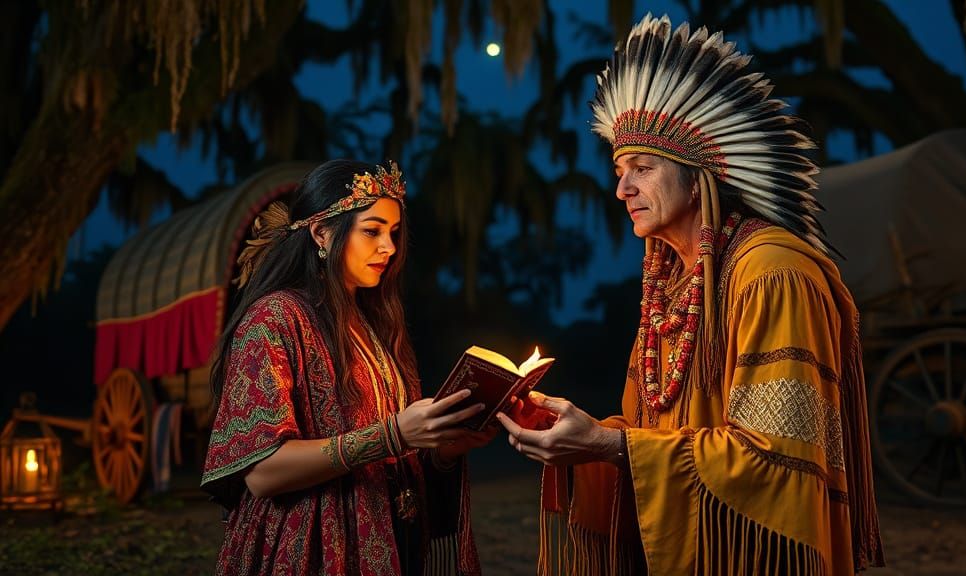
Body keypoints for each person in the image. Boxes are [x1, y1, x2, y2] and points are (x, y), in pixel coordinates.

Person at [497, 15, 885, 575]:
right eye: (619, 168)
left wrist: (611, 449)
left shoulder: (771, 272)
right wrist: (581, 436)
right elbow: (649, 434)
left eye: (643, 168)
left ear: (700, 175)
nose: (622, 188)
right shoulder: (670, 282)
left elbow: (775, 460)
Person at [201, 159, 493, 575]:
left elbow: (397, 452)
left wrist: (446, 445)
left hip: (394, 538)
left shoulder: (373, 325)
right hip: (311, 548)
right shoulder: (272, 320)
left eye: (393, 233)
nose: (389, 247)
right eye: (372, 231)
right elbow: (262, 472)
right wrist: (392, 434)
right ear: (322, 233)